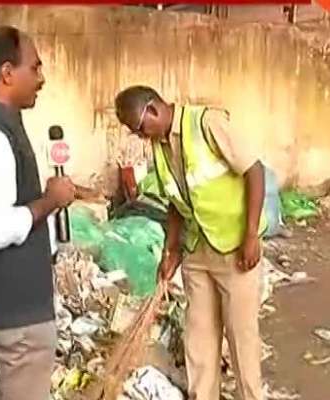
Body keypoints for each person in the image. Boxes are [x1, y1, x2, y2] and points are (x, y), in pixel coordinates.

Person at [114, 86, 267, 400]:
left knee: (242, 342)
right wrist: (171, 250)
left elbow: (254, 170)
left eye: (140, 128)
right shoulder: (159, 147)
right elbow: (174, 202)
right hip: (196, 252)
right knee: (199, 342)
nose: (141, 136)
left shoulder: (207, 124)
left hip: (234, 249)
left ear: (154, 109)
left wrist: (251, 235)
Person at [0, 26, 75, 400]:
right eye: (35, 68)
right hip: (17, 313)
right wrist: (49, 202)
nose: (41, 79)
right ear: (7, 73)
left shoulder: (4, 124)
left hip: (19, 306)